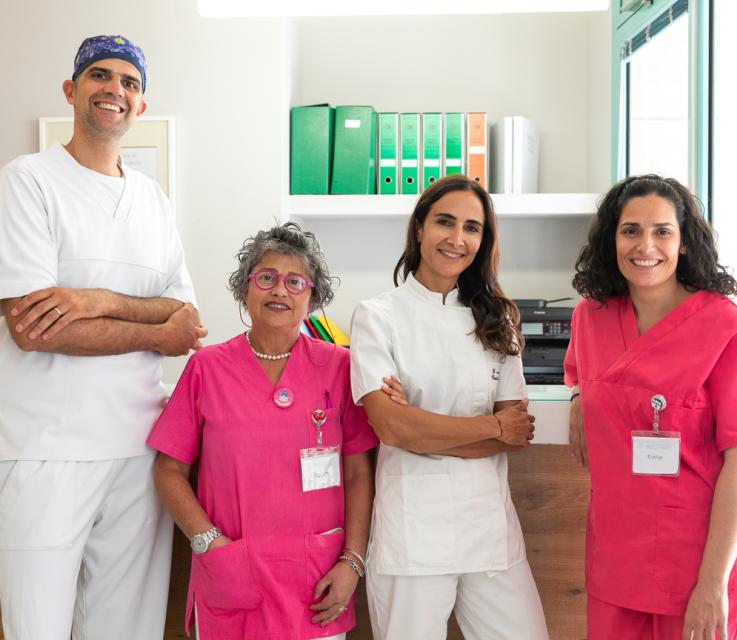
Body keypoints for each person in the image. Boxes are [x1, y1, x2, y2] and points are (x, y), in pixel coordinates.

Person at [0, 35, 206, 639]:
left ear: (140, 106)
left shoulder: (152, 200)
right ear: (71, 90)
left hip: (138, 448)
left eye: (130, 82)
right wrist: (153, 330)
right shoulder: (28, 182)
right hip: (46, 449)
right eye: (100, 76)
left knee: (128, 630)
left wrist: (90, 301)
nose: (115, 89)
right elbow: (31, 329)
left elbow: (186, 316)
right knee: (36, 627)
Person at [565, 174, 737, 640]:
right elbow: (587, 372)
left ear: (683, 243)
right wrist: (580, 396)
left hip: (703, 568)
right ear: (612, 239)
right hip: (619, 567)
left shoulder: (726, 328)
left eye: (662, 231)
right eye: (631, 230)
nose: (646, 245)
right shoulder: (591, 316)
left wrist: (712, 584)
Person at [147, 222, 377, 640]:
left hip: (318, 582)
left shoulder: (340, 367)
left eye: (295, 282)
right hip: (231, 576)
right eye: (266, 278)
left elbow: (360, 472)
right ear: (245, 289)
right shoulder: (207, 369)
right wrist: (207, 542)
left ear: (312, 296)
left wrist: (353, 562)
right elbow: (168, 470)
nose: (280, 291)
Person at [349, 174, 549, 640]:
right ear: (419, 227)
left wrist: (422, 428)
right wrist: (489, 426)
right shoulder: (377, 317)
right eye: (445, 221)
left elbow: (515, 435)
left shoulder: (498, 320)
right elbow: (392, 427)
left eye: (472, 228)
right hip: (412, 534)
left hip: (490, 532)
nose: (457, 239)